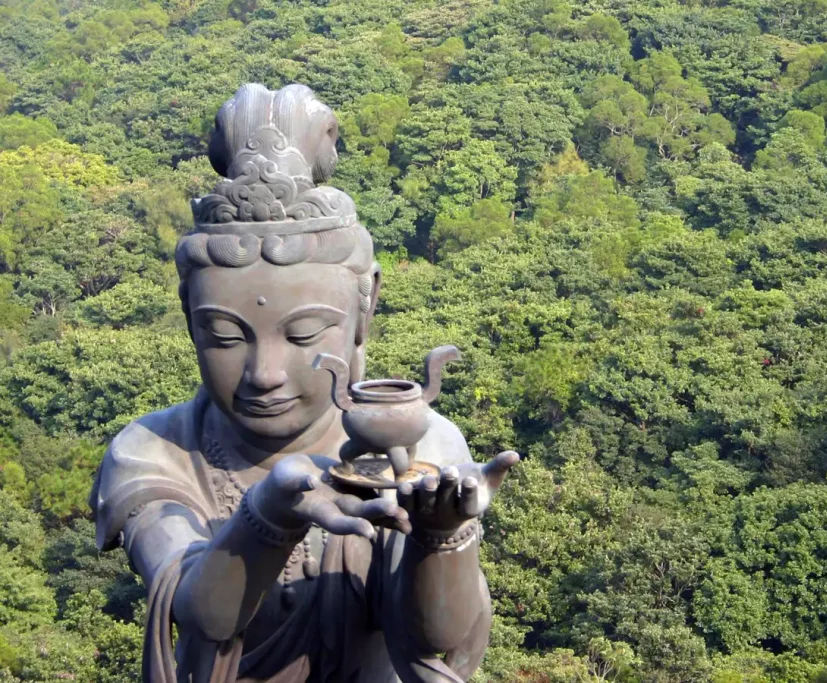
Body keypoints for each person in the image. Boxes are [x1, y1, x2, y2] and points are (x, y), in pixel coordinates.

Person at [89, 83, 518, 683]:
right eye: (225, 336)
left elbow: (433, 640)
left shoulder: (417, 443)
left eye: (303, 335)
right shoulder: (156, 451)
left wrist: (441, 539)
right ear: (189, 317)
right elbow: (200, 612)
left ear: (365, 310)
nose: (264, 374)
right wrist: (268, 514)